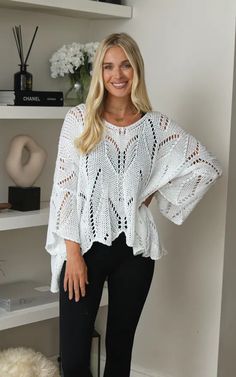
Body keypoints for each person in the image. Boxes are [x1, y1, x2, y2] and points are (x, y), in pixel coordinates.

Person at [45, 33, 222, 377]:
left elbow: (207, 166)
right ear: (100, 72)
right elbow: (63, 189)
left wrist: (156, 189)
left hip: (134, 252)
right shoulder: (79, 119)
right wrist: (73, 254)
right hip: (85, 250)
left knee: (120, 351)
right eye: (109, 66)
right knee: (75, 356)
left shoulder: (155, 127)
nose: (118, 74)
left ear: (137, 69)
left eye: (126, 64)